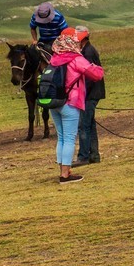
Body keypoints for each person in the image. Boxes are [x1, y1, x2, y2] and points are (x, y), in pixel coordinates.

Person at [47, 28, 104, 184]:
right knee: (69, 138)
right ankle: (65, 175)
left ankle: (63, 170)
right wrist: (97, 66)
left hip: (54, 102)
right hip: (70, 103)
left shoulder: (55, 58)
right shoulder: (75, 59)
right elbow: (96, 74)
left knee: (61, 138)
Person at [73, 26, 105, 166]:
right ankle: (94, 155)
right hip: (92, 93)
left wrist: (82, 94)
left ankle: (83, 156)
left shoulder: (88, 52)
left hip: (90, 94)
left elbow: (90, 76)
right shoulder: (87, 50)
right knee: (89, 124)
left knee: (83, 125)